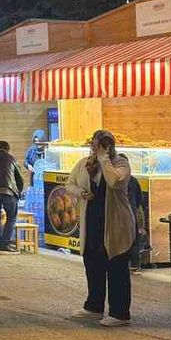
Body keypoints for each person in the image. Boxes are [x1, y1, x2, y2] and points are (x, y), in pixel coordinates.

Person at [64, 130, 135, 328]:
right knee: (93, 262)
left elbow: (114, 181)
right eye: (93, 146)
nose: (94, 150)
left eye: (99, 146)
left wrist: (104, 159)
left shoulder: (120, 164)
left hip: (115, 224)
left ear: (109, 147)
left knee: (116, 266)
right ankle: (94, 306)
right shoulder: (84, 164)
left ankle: (120, 313)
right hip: (92, 221)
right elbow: (70, 184)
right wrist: (80, 192)